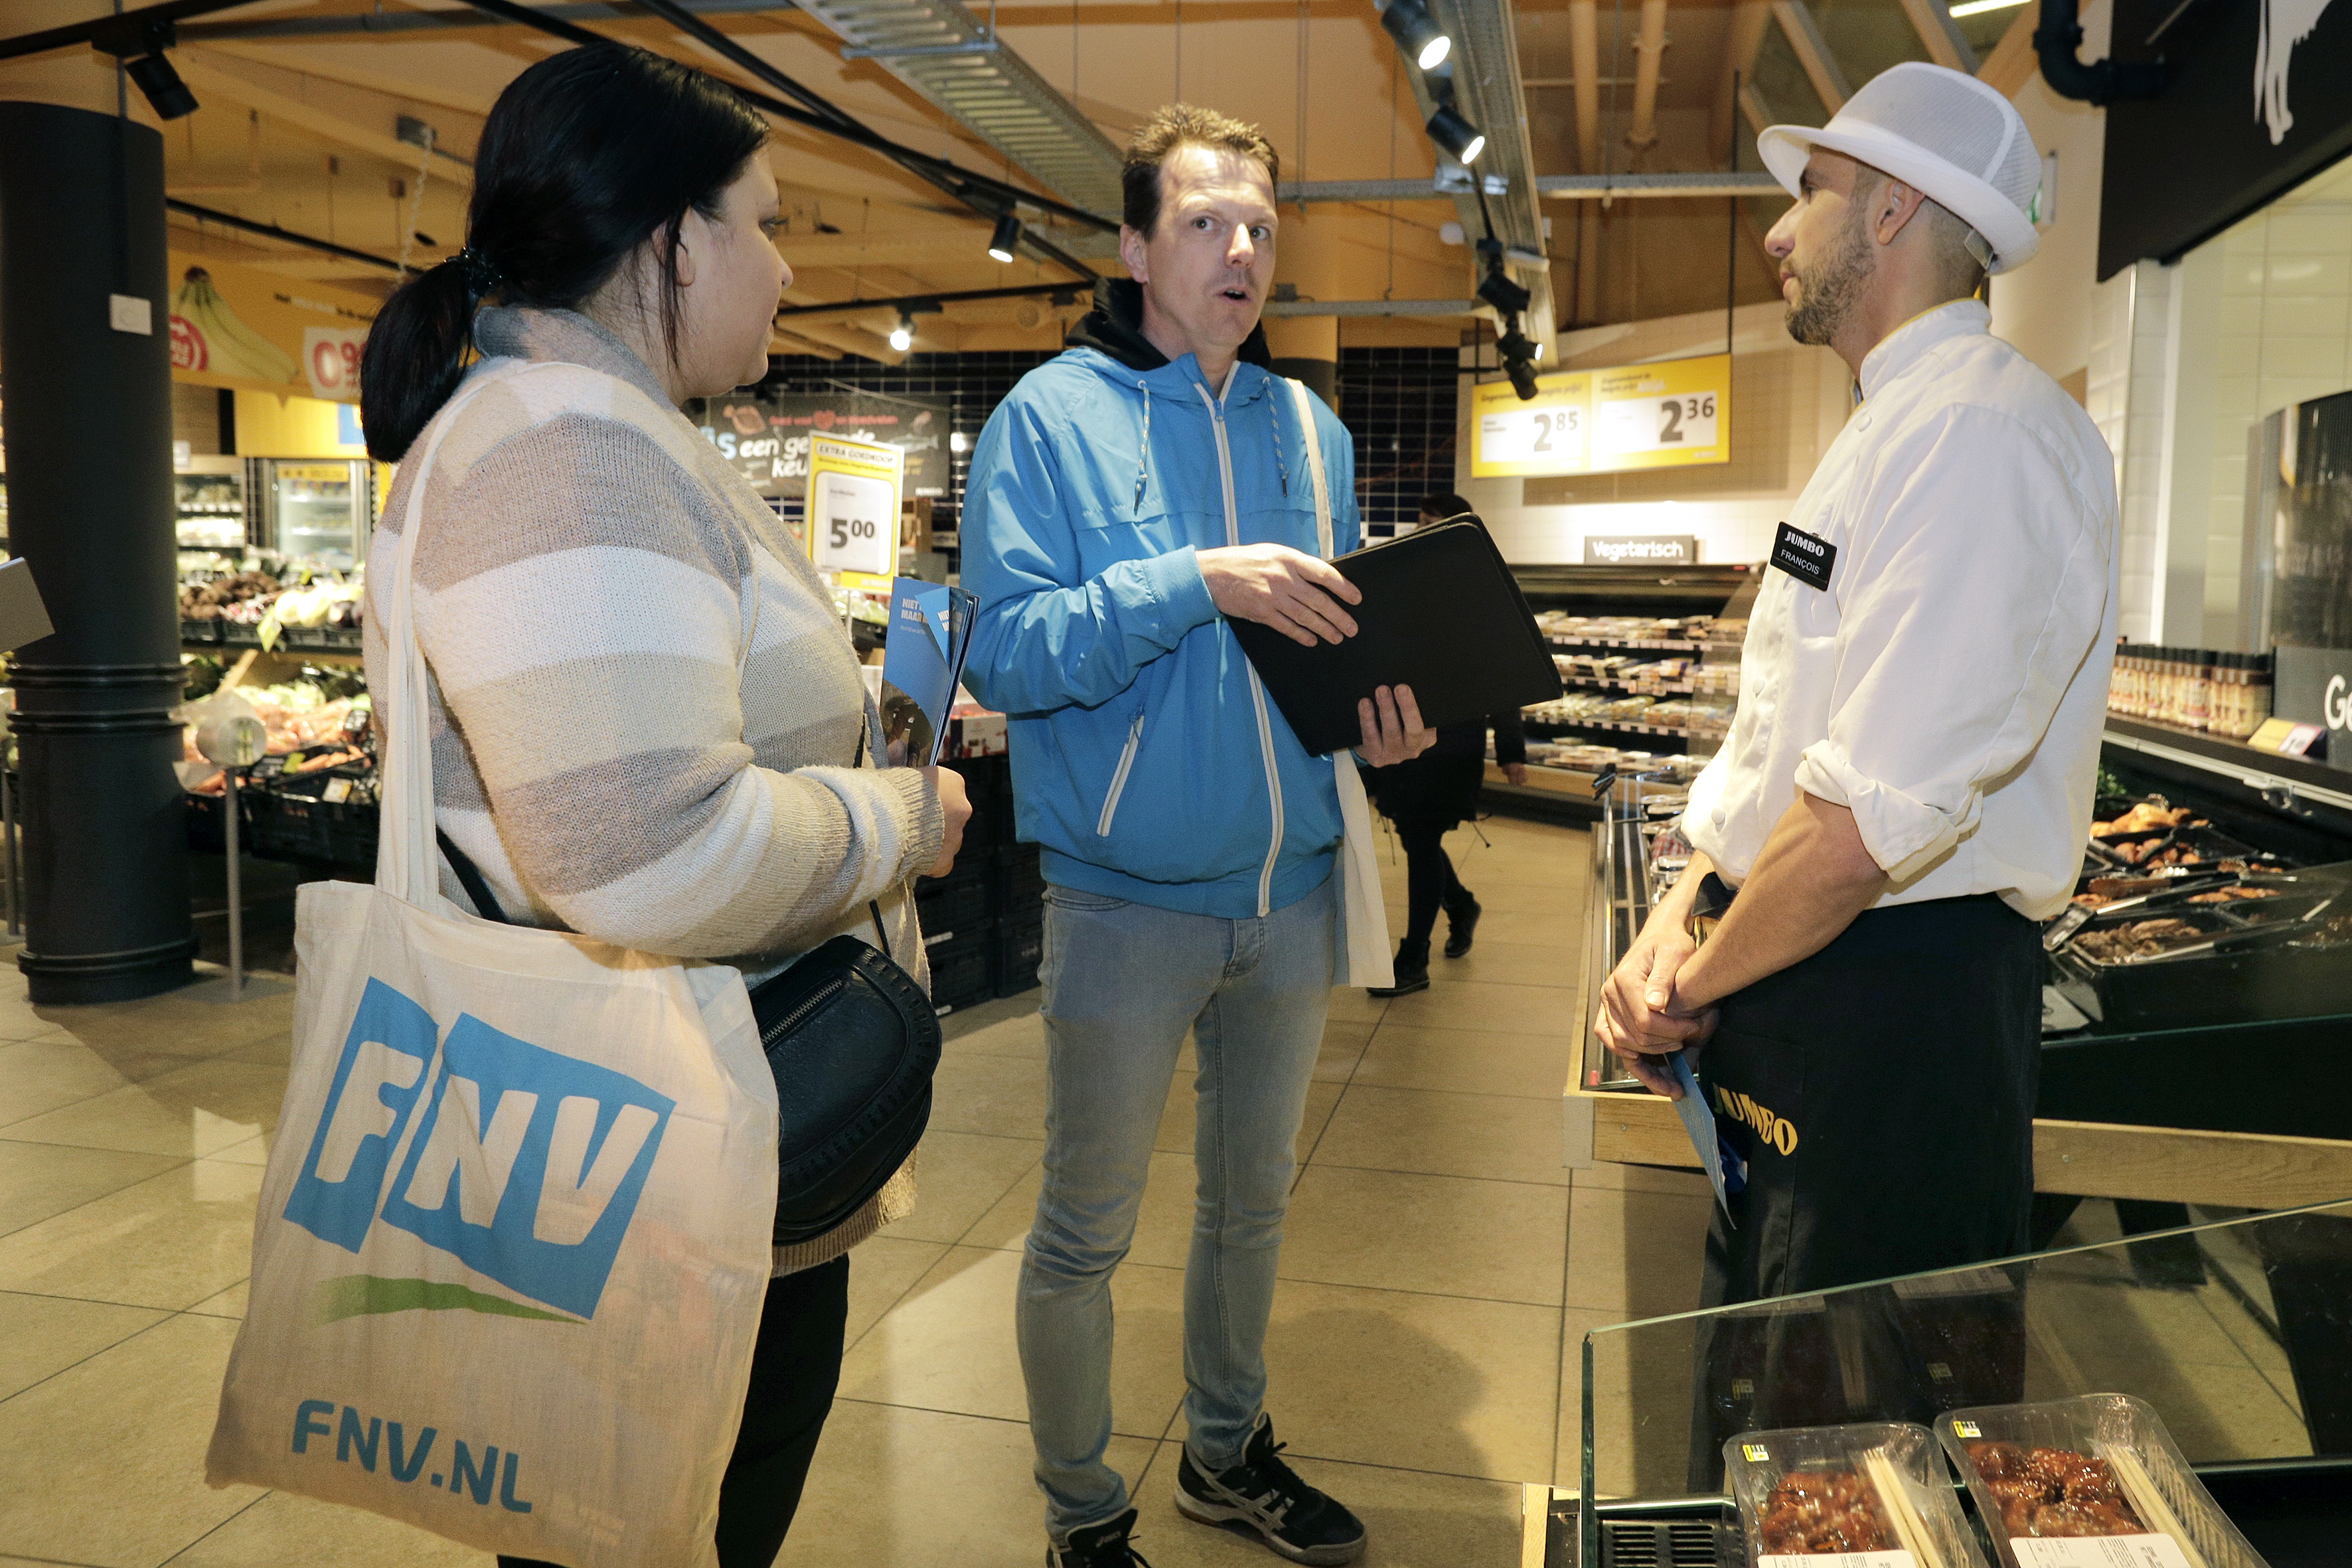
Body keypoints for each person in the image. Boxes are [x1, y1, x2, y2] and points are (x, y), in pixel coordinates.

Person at [356, 43, 969, 1567]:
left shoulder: (573, 427)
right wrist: (901, 820)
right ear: (669, 239)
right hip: (656, 1166)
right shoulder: (566, 448)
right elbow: (645, 854)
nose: (778, 269)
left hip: (642, 1146)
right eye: (763, 223)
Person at [961, 104, 1433, 1568]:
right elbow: (1014, 654)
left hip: (1286, 890)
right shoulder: (1046, 419)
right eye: (1203, 223)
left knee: (1250, 1207)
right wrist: (1192, 578)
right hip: (1121, 901)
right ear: (1133, 247)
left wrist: (1379, 720)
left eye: (1259, 228)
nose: (1239, 252)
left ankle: (1226, 1451)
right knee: (1084, 1227)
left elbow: (1330, 657)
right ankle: (1082, 1511)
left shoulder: (1311, 428)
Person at [1593, 64, 2117, 1309]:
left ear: (1889, 212)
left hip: (1895, 1016)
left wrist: (1682, 985)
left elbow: (1859, 827)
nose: (1776, 227)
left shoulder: (1983, 439)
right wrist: (1675, 914)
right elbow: (1778, 741)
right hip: (1801, 981)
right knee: (1769, 1403)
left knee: (1854, 1429)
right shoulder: (1892, 429)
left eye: (1811, 192)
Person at [1362, 493, 1529, 996]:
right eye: (1419, 524)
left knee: (1421, 840)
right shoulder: (1405, 587)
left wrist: (1511, 749)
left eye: (1430, 524)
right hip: (1404, 741)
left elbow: (1498, 678)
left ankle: (1412, 959)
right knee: (1418, 838)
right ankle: (1460, 905)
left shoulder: (1480, 593)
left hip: (1452, 744)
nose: (1420, 532)